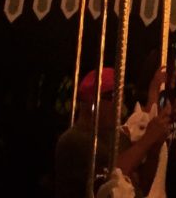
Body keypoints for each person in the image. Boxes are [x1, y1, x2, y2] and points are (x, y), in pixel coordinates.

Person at [55, 66, 170, 198]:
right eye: (112, 96)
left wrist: (154, 149)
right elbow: (110, 182)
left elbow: (141, 186)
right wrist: (147, 140)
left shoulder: (119, 137)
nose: (119, 104)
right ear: (92, 102)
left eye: (121, 97)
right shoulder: (73, 141)